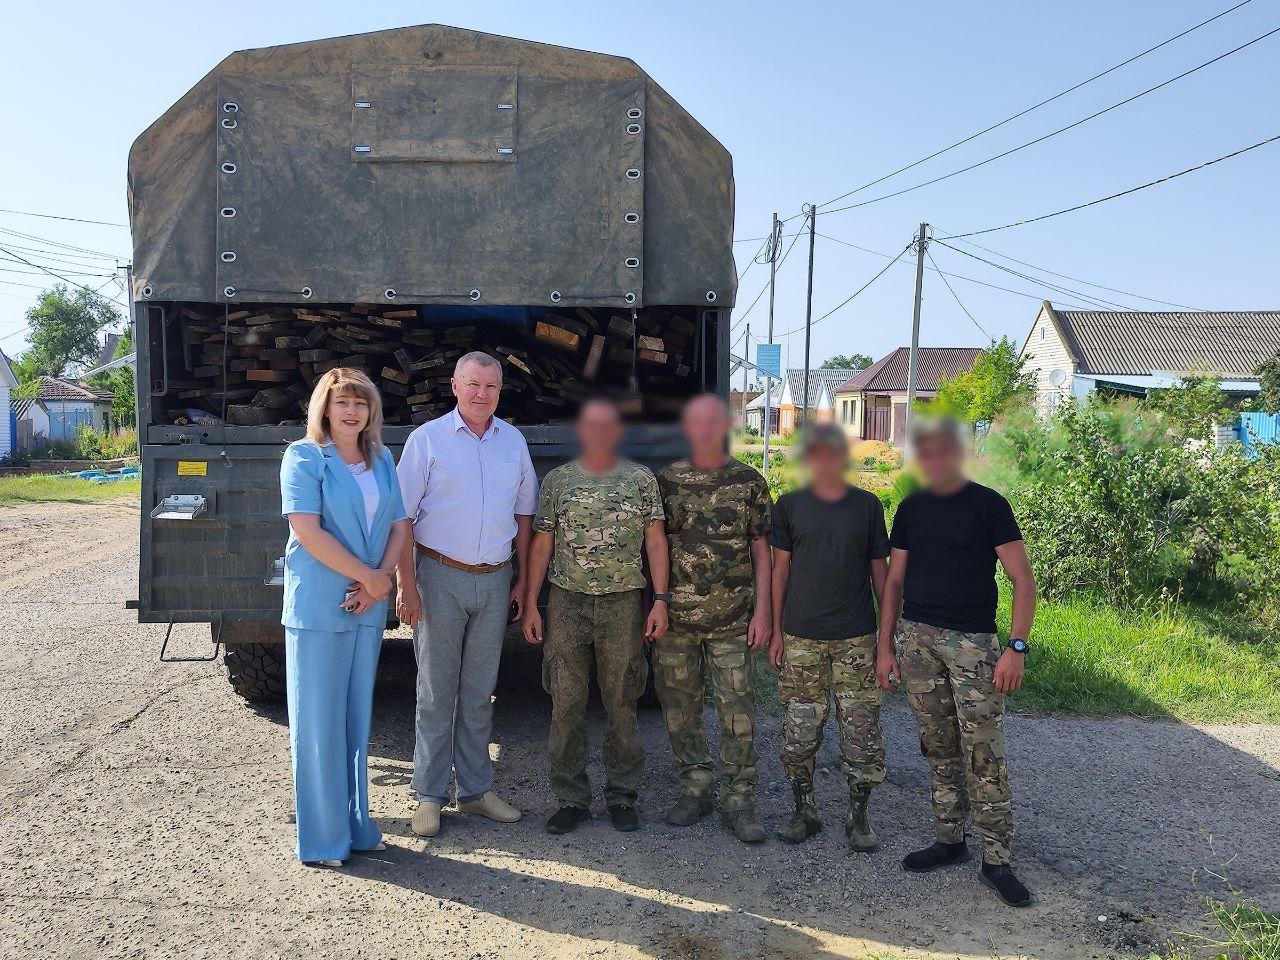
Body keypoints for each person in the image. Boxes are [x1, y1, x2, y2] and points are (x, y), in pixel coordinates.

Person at [877, 417, 1037, 907]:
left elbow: (1024, 582)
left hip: (975, 646)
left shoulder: (989, 505)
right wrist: (886, 645)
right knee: (937, 745)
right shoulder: (910, 508)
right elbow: (895, 583)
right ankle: (950, 840)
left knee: (983, 752)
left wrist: (1016, 647)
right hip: (917, 640)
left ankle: (997, 859)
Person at [396, 351, 538, 838]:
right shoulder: (427, 441)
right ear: (455, 386)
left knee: (480, 690)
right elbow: (402, 519)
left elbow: (524, 515)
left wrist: (521, 578)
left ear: (500, 390)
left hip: (496, 577)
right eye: (474, 384)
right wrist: (405, 585)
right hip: (439, 575)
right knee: (436, 691)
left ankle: (475, 791)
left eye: (492, 387)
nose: (483, 394)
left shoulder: (512, 442)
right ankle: (430, 795)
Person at [279, 367, 410, 866]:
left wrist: (383, 581)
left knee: (357, 722)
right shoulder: (304, 457)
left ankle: (357, 826)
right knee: (318, 725)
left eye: (360, 403)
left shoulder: (381, 458)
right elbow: (307, 531)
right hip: (320, 605)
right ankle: (322, 839)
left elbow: (399, 523)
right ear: (325, 409)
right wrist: (372, 577)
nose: (352, 411)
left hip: (368, 603)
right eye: (342, 403)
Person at [522, 398, 671, 835]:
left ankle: (622, 796)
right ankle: (571, 798)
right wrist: (532, 601)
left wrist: (659, 599)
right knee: (566, 703)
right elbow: (541, 545)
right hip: (567, 603)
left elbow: (656, 543)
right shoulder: (558, 481)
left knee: (621, 702)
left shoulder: (640, 480)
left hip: (623, 603)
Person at [654, 394, 773, 844]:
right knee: (680, 710)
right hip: (677, 621)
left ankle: (740, 802)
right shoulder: (667, 481)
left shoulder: (749, 482)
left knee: (737, 712)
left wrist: (762, 611)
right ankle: (695, 787)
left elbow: (762, 550)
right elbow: (656, 546)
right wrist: (658, 603)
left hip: (734, 620)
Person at [767, 423, 889, 849]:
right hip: (801, 639)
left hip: (857, 640)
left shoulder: (867, 507)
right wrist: (776, 631)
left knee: (861, 734)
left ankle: (858, 818)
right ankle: (805, 811)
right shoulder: (789, 506)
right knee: (799, 735)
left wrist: (887, 640)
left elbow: (881, 576)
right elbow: (779, 571)